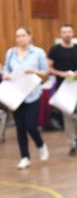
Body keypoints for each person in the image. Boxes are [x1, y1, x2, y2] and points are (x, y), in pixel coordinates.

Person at [3, 28, 49, 169]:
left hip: (32, 94)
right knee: (20, 127)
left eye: (23, 35)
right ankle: (24, 157)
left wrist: (34, 71)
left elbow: (45, 74)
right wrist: (6, 75)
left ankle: (40, 144)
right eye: (17, 36)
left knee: (30, 125)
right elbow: (6, 70)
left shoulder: (38, 52)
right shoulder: (10, 53)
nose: (20, 38)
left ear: (29, 37)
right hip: (16, 95)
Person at [48, 24, 77, 156]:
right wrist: (60, 73)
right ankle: (72, 144)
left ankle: (76, 135)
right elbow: (48, 67)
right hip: (63, 88)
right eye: (64, 32)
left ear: (73, 33)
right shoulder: (55, 50)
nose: (67, 34)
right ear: (61, 34)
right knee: (68, 118)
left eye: (69, 32)